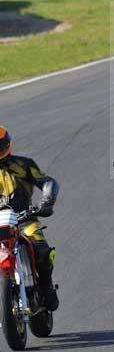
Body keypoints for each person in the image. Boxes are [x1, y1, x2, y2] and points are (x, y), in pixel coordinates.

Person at [0, 127, 59, 310]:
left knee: (41, 249)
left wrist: (47, 201)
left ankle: (46, 285)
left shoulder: (23, 164)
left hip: (24, 219)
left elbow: (47, 181)